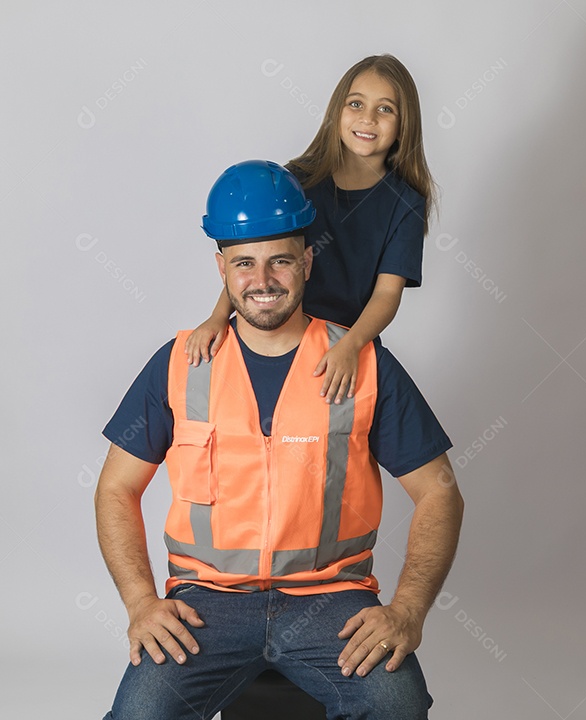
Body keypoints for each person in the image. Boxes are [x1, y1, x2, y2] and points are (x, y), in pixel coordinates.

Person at [95, 160, 462, 720]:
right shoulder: (180, 365)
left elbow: (440, 492)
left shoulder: (363, 366)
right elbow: (115, 488)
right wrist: (142, 603)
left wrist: (407, 611)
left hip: (330, 602)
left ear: (307, 261)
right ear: (221, 268)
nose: (262, 280)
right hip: (206, 606)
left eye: (280, 260)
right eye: (244, 263)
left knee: (397, 706)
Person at [186, 55, 435, 406]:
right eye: (356, 104)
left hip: (345, 346)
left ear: (404, 124)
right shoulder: (296, 180)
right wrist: (217, 317)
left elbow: (386, 295)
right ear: (338, 111)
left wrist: (350, 346)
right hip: (282, 334)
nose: (367, 118)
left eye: (385, 109)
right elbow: (253, 261)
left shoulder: (405, 202)